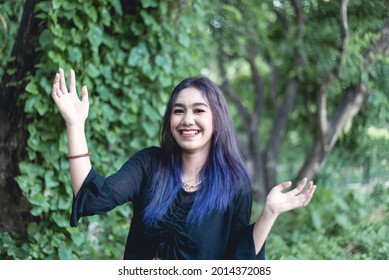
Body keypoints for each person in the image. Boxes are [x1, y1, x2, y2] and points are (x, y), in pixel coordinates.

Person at [51, 68, 316, 260]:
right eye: (179, 111)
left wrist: (269, 212)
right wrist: (75, 125)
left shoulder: (235, 185)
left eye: (199, 110)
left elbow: (238, 262)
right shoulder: (149, 164)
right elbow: (93, 198)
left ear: (217, 120)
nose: (187, 120)